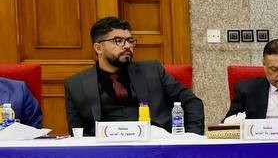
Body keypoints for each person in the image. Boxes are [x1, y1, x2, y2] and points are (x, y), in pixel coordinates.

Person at [64, 17, 204, 135]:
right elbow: (77, 133)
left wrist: (191, 138)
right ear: (98, 48)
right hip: (105, 151)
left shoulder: (152, 71)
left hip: (154, 146)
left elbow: (192, 102)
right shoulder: (76, 85)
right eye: (118, 40)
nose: (127, 46)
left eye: (130, 40)